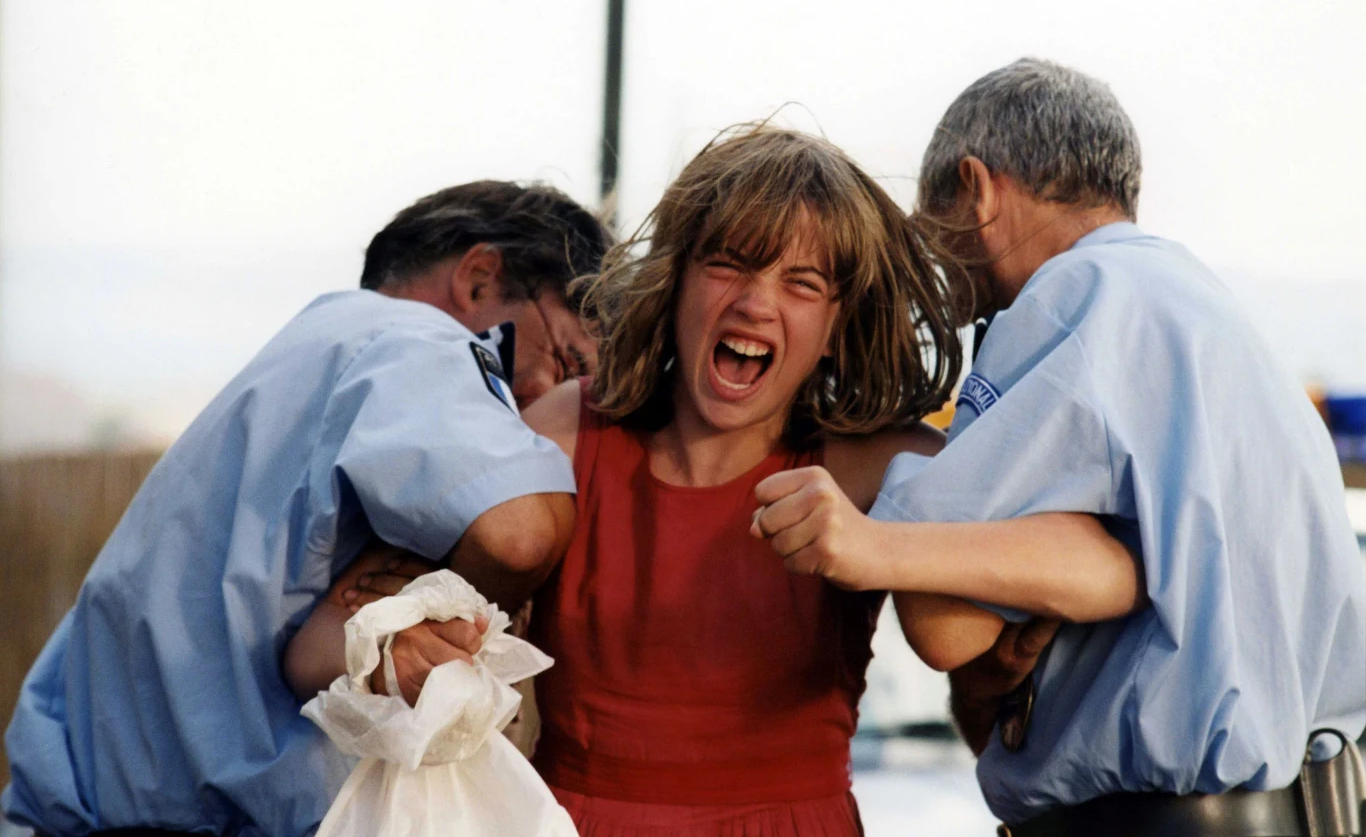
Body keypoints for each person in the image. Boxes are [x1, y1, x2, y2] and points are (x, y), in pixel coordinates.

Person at [307, 124, 1149, 836]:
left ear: (835, 327)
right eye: (730, 264)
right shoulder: (566, 432)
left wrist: (884, 549)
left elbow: (1108, 570)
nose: (756, 304)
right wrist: (395, 643)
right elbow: (318, 648)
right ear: (674, 284)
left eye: (802, 282)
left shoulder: (874, 465)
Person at [752, 59, 1366, 836]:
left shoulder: (1069, 302)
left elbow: (945, 628)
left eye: (931, 222)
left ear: (975, 189)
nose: (939, 263)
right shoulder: (1207, 310)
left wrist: (891, 508)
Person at [2, 180, 613, 837]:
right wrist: (452, 599)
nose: (546, 399)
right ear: (478, 277)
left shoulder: (308, 354)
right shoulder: (418, 343)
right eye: (562, 359)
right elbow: (515, 535)